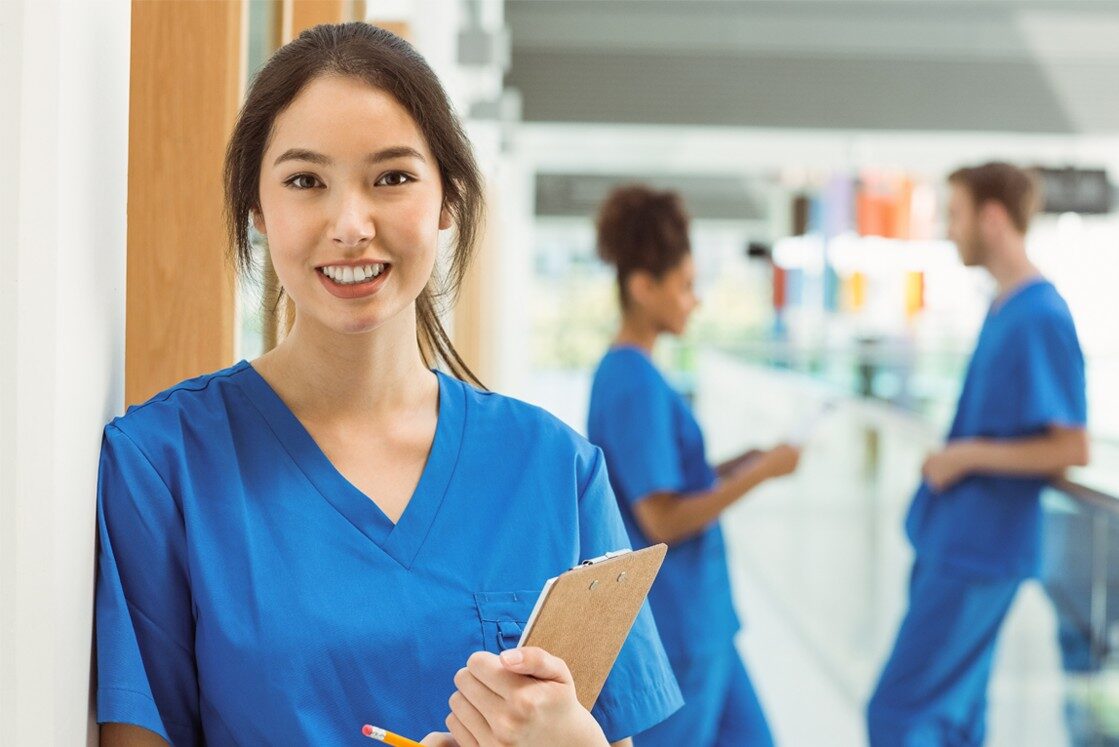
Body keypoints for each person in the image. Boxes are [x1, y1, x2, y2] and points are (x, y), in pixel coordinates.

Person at [95, 24, 682, 746]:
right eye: (305, 181)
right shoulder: (162, 465)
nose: (350, 224)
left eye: (392, 177)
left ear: (446, 201)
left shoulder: (556, 470)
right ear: (257, 208)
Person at [866, 162, 1090, 746]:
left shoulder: (1039, 315)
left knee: (896, 714)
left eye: (956, 214)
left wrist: (966, 456)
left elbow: (1070, 445)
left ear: (993, 218)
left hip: (979, 553)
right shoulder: (1004, 308)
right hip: (960, 543)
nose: (949, 228)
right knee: (956, 720)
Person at [586, 185, 801, 747]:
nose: (695, 300)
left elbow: (670, 480)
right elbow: (663, 518)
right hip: (676, 625)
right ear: (642, 287)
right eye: (685, 286)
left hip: (708, 621)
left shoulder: (642, 375)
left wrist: (739, 462)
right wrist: (762, 473)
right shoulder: (631, 381)